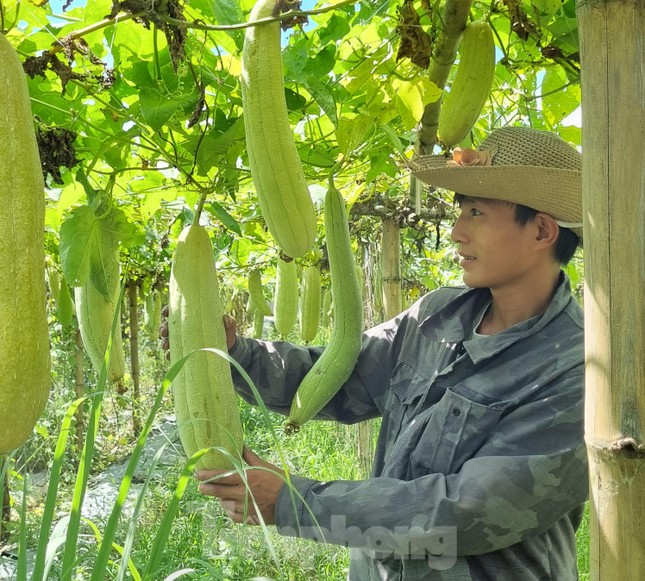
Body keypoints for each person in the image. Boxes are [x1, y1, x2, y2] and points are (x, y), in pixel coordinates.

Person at [194, 126, 588, 580]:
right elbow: (334, 379)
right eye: (460, 211)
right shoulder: (434, 316)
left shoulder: (577, 368)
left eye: (477, 212)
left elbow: (469, 513)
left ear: (541, 230)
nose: (457, 233)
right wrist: (236, 354)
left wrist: (295, 502)